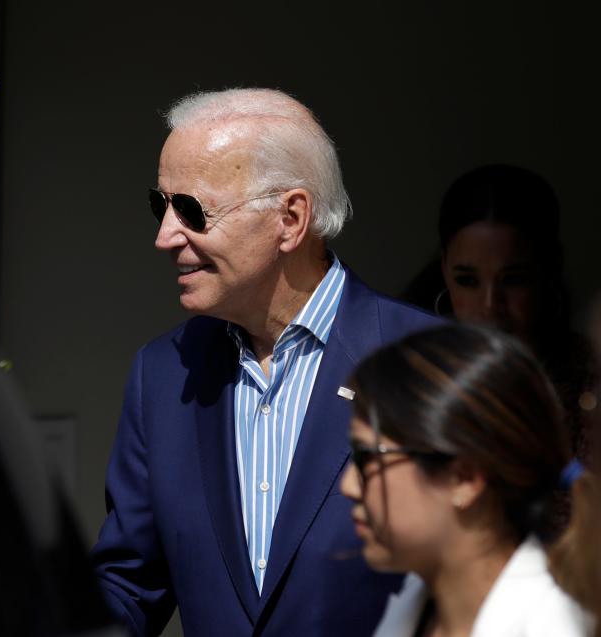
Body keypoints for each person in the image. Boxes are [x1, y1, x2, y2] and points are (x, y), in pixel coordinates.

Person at [91, 88, 441, 636]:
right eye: (162, 206)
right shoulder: (163, 374)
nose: (165, 236)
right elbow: (128, 583)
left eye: (192, 210)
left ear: (290, 218)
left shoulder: (430, 362)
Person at [340, 324, 595, 636]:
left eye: (367, 456)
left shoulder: (554, 626)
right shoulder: (412, 602)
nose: (348, 485)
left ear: (465, 478)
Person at [402, 164, 596, 461]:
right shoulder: (410, 381)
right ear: (444, 270)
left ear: (549, 270)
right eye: (468, 281)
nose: (491, 305)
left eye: (513, 279)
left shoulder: (589, 384)